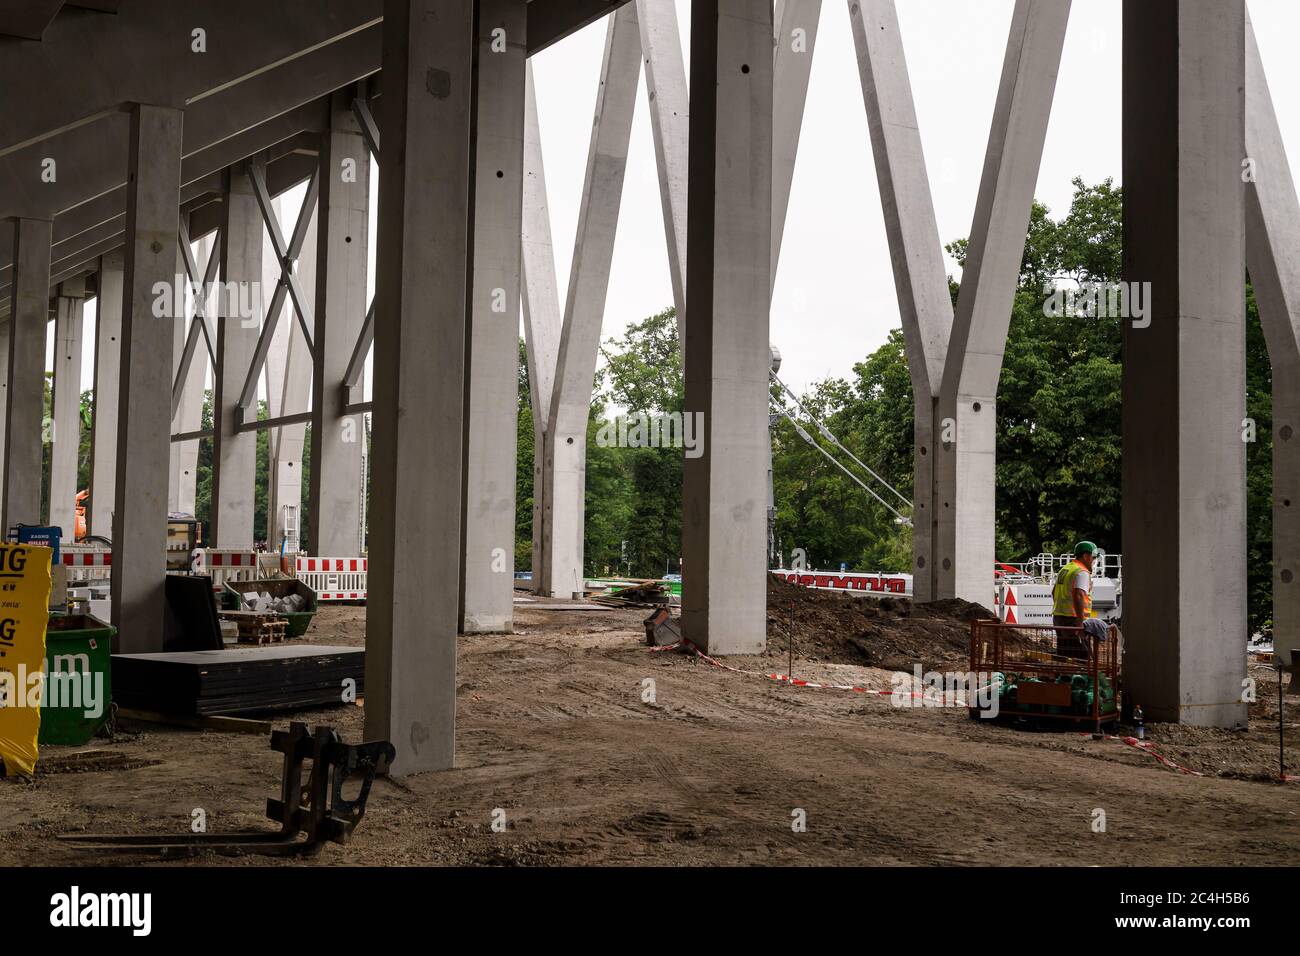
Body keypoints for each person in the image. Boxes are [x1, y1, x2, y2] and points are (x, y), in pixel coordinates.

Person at [1052, 541, 1097, 660]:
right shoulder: (1081, 572)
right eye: (1093, 557)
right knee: (1083, 657)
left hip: (1059, 618)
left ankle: (1064, 677)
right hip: (1073, 620)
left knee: (1064, 654)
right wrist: (1080, 620)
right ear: (1086, 556)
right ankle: (1083, 677)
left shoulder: (1065, 569)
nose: (1093, 561)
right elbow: (1079, 595)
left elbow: (1054, 592)